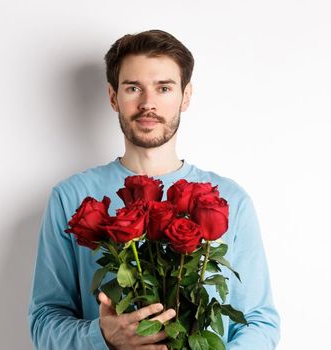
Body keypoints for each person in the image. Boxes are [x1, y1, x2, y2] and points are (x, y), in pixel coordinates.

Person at [28, 29, 280, 349]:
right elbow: (44, 319)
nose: (148, 103)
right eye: (134, 88)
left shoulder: (229, 199)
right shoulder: (71, 198)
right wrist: (102, 337)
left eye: (164, 88)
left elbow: (260, 320)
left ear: (185, 96)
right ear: (112, 96)